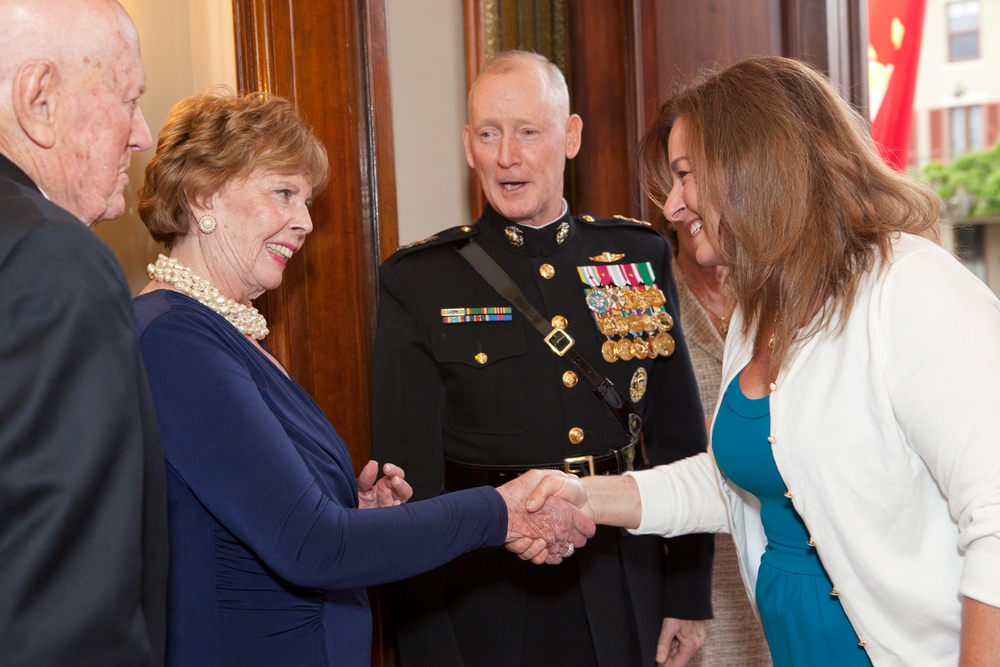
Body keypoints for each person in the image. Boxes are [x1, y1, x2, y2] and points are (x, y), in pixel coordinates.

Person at [519, 56, 1000, 666]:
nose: (671, 208)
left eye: (686, 175)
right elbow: (746, 480)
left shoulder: (907, 285)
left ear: (755, 165)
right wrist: (585, 495)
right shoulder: (758, 301)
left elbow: (995, 516)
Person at [133, 91, 594, 667]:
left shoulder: (221, 332)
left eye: (306, 200)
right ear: (203, 195)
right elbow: (311, 546)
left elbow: (271, 520)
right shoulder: (176, 340)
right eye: (284, 194)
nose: (303, 222)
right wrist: (498, 511)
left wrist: (357, 511)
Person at [371, 50, 712, 667]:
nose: (508, 156)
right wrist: (425, 637)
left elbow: (680, 438)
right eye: (488, 134)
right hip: (485, 592)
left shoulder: (635, 256)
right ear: (468, 145)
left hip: (621, 571)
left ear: (570, 136)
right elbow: (410, 484)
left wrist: (687, 592)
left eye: (529, 131)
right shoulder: (419, 282)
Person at [0, 1, 168, 664]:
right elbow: (64, 610)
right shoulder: (54, 259)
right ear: (38, 99)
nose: (143, 134)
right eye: (128, 99)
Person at [658, 218, 771, 666]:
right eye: (682, 176)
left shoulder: (776, 287)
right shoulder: (644, 294)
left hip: (780, 546)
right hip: (691, 560)